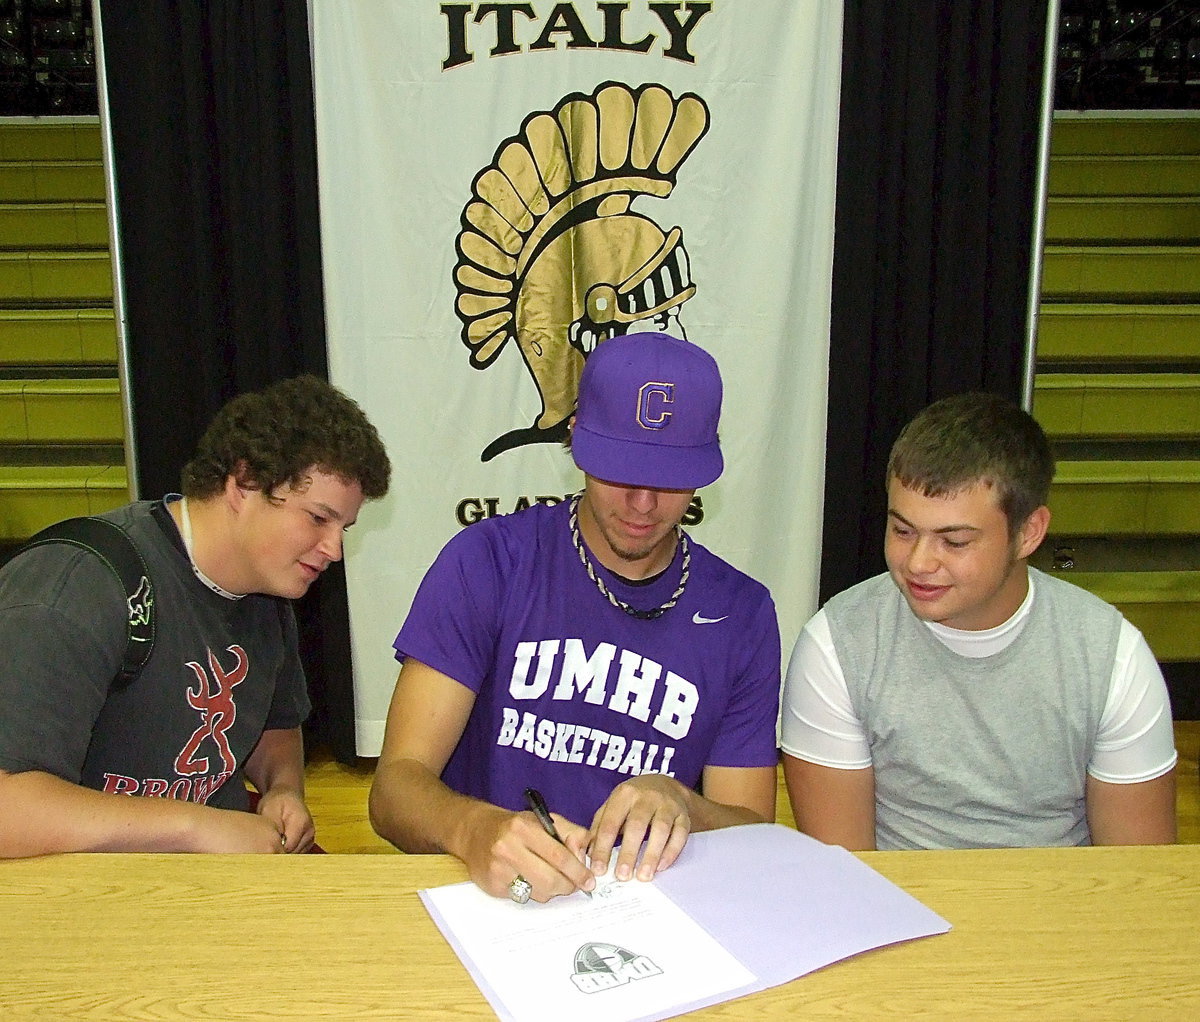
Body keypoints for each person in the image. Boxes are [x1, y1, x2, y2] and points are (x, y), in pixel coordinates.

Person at [369, 331, 780, 902]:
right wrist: (475, 830)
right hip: (493, 905)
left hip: (652, 913)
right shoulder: (488, 563)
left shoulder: (742, 612)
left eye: (668, 480)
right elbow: (393, 790)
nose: (643, 504)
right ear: (574, 441)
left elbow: (757, 836)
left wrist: (686, 803)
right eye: (621, 471)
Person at [0, 375, 390, 857]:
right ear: (244, 483)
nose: (334, 549)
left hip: (211, 877)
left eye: (344, 527)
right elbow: (8, 804)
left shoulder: (266, 588)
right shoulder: (77, 586)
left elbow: (274, 722)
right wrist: (194, 828)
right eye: (317, 518)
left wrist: (282, 789)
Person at [781, 392, 1177, 851]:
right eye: (903, 531)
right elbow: (846, 876)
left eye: (955, 541)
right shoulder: (837, 643)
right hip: (901, 907)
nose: (918, 563)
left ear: (1028, 532)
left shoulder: (1110, 656)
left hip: (1060, 909)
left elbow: (1134, 872)